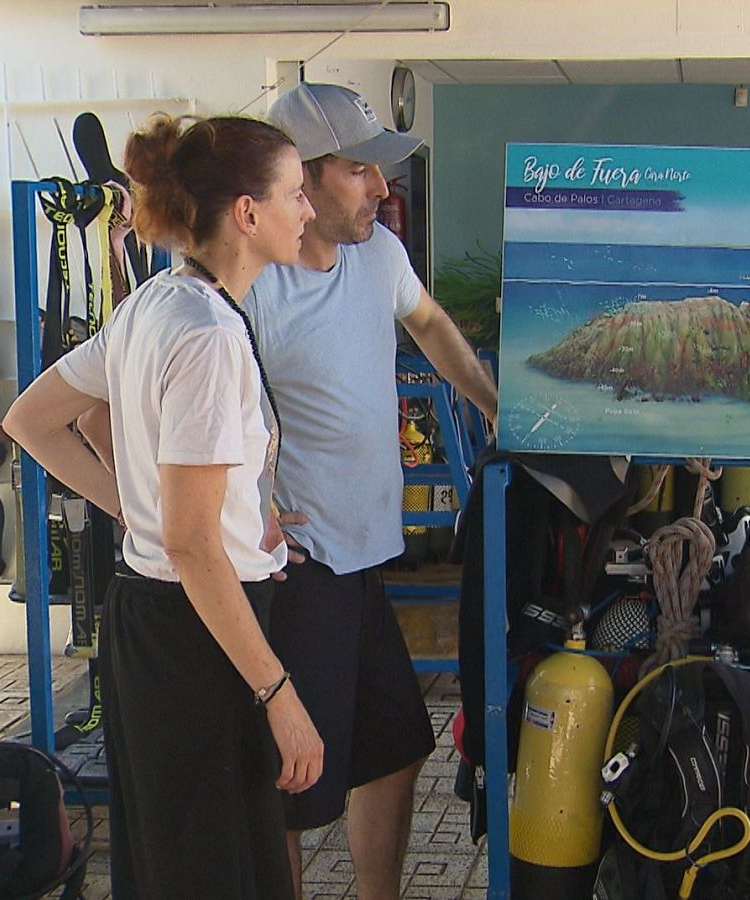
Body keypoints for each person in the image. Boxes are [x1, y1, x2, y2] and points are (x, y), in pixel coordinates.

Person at [2, 113, 325, 899]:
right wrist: (280, 695)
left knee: (170, 864)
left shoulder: (157, 302)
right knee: (214, 872)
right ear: (248, 214)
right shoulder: (208, 335)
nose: (308, 211)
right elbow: (188, 540)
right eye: (296, 195)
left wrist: (167, 513)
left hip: (149, 623)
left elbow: (52, 418)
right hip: (198, 640)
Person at [250, 81, 499, 900]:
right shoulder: (250, 286)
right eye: (362, 172)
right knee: (288, 781)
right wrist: (243, 504)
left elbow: (427, 322)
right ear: (304, 178)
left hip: (366, 559)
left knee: (397, 746)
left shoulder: (379, 256)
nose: (382, 191)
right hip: (298, 569)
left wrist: (496, 405)